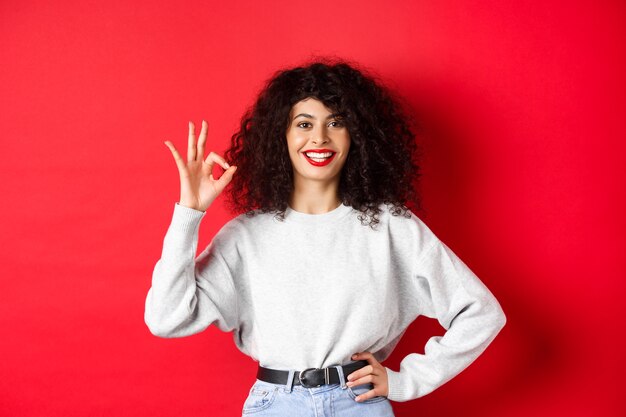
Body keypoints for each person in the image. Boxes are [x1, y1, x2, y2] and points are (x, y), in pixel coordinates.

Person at [144, 58, 507, 416]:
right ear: (280, 136)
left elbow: (481, 313)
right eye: (304, 123)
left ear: (356, 136)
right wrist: (189, 213)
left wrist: (406, 381)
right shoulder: (246, 237)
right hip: (275, 405)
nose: (319, 137)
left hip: (359, 404)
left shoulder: (392, 227)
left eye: (336, 122)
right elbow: (167, 318)